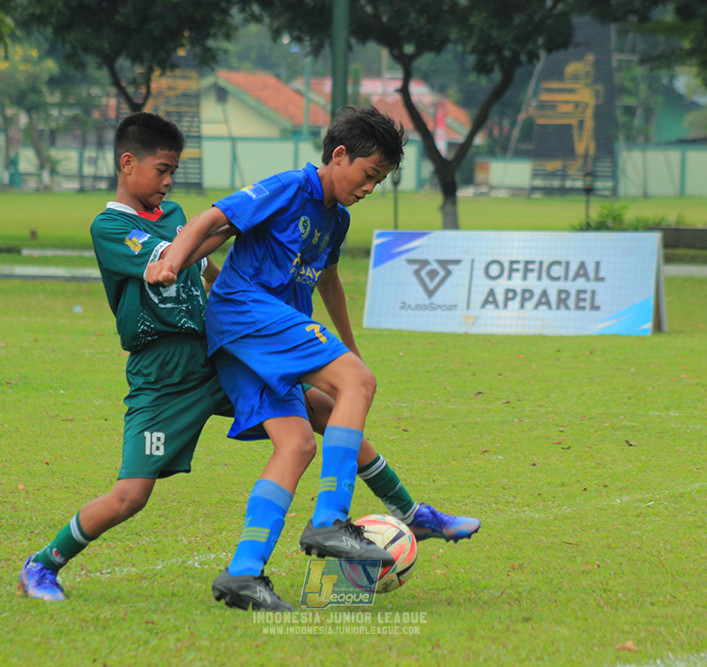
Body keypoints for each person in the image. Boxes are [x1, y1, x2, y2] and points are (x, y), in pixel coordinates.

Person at [18, 111, 478, 606]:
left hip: (217, 353)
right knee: (130, 496)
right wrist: (176, 262)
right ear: (128, 164)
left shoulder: (195, 217)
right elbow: (198, 234)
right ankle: (43, 563)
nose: (169, 181)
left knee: (308, 431)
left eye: (173, 170)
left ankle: (248, 572)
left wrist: (210, 272)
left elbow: (217, 252)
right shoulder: (111, 226)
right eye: (162, 170)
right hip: (168, 373)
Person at [149, 106, 477, 614]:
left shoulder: (337, 219)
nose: (369, 188)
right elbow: (213, 220)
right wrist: (171, 261)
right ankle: (332, 519)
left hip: (253, 341)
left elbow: (327, 280)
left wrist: (351, 347)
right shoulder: (290, 186)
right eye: (368, 175)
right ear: (339, 155)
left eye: (380, 182)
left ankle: (243, 574)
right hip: (246, 315)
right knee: (356, 386)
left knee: (299, 443)